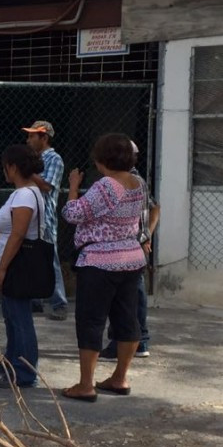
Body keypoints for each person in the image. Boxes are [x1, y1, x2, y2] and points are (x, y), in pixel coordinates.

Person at [59, 133, 147, 402]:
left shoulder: (107, 186)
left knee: (91, 321)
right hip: (131, 259)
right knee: (127, 319)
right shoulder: (138, 182)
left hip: (99, 261)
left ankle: (86, 384)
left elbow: (73, 214)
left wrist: (73, 187)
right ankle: (120, 377)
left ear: (101, 159)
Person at [0, 144, 47, 389]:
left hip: (16, 264)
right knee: (12, 316)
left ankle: (24, 371)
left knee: (20, 318)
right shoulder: (25, 192)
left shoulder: (25, 195)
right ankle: (12, 361)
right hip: (13, 262)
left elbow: (18, 233)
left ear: (12, 167)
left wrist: (2, 268)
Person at [100, 140, 161, 360]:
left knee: (129, 296)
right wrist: (146, 234)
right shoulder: (129, 180)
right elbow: (154, 209)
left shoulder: (128, 181)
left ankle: (131, 341)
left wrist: (146, 235)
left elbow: (155, 209)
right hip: (132, 245)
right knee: (130, 294)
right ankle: (131, 341)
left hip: (129, 246)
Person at [24, 121, 68, 321]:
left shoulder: (54, 159)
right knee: (31, 256)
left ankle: (59, 303)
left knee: (50, 259)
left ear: (44, 137)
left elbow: (47, 186)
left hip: (45, 216)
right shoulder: (35, 158)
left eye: (33, 136)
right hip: (31, 213)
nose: (29, 139)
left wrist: (25, 171)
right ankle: (35, 300)